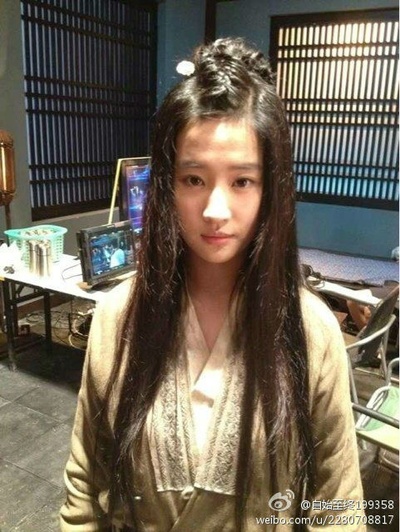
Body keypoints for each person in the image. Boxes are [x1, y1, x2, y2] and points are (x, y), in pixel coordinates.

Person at [60, 37, 365, 531]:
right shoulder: (119, 316)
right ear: (167, 186)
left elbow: (340, 506)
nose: (215, 211)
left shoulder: (310, 331)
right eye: (194, 180)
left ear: (270, 190)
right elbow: (83, 485)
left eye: (242, 181)